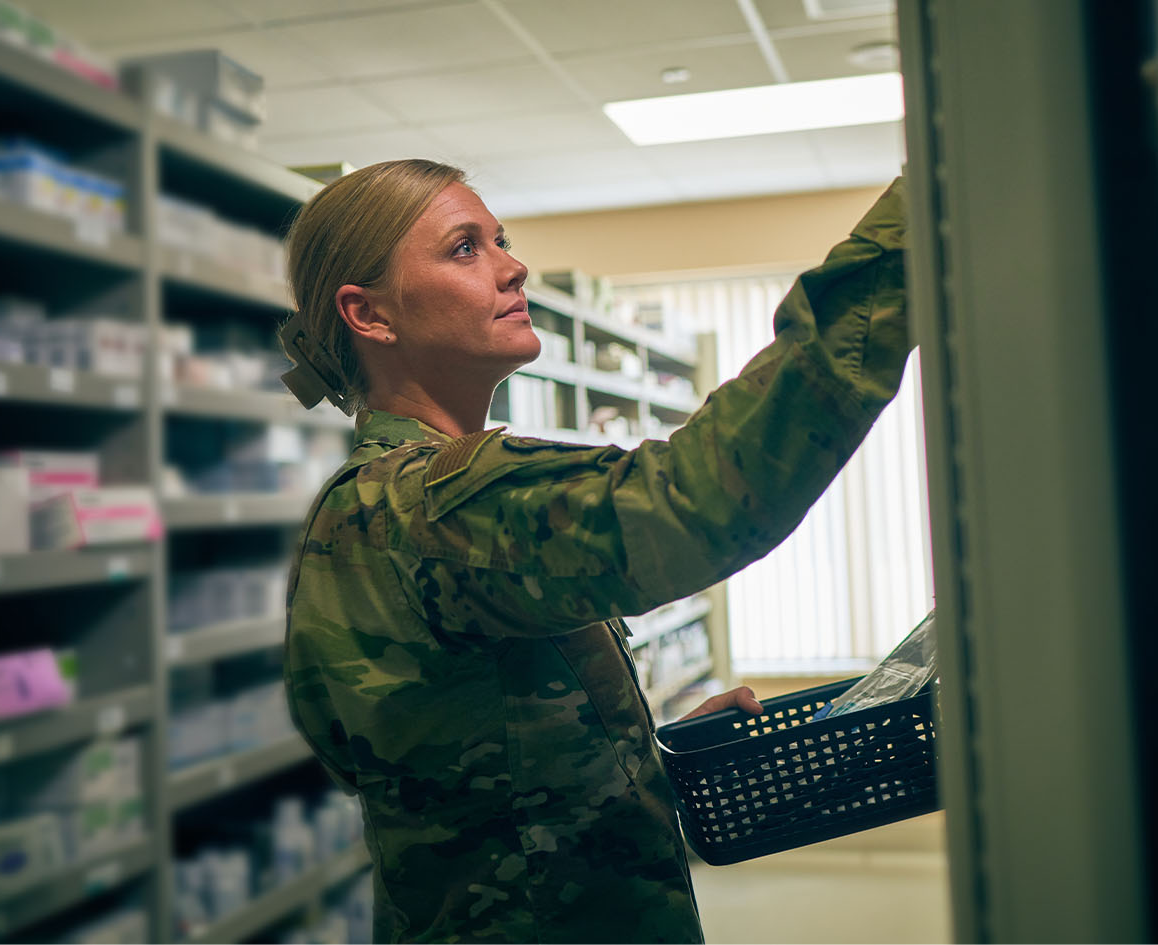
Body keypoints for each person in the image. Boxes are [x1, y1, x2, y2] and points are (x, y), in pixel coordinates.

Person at [280, 158, 909, 943]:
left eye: (501, 239)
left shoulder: (398, 503)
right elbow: (698, 502)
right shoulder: (427, 504)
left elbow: (473, 777)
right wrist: (903, 241)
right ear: (369, 314)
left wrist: (638, 756)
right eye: (465, 248)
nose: (514, 266)